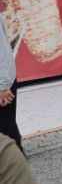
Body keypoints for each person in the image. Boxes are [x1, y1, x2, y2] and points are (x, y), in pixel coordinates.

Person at [0, 19, 21, 153]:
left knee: (5, 130)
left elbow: (1, 52)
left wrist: (2, 85)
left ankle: (16, 166)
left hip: (3, 84)